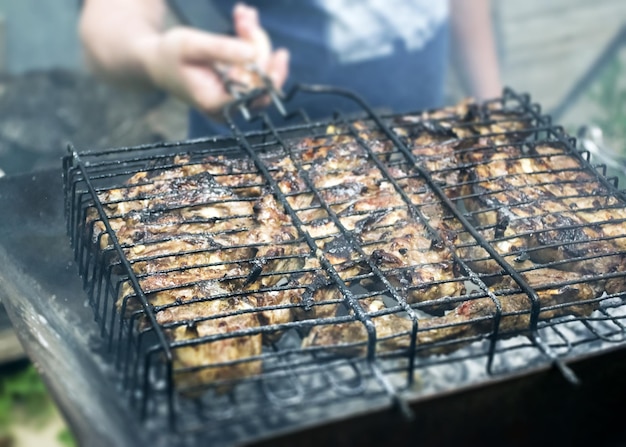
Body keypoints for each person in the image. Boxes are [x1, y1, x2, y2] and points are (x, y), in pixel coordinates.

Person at [79, 0, 502, 138]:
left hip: (414, 143)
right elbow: (110, 20)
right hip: (254, 162)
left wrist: (494, 113)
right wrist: (153, 56)